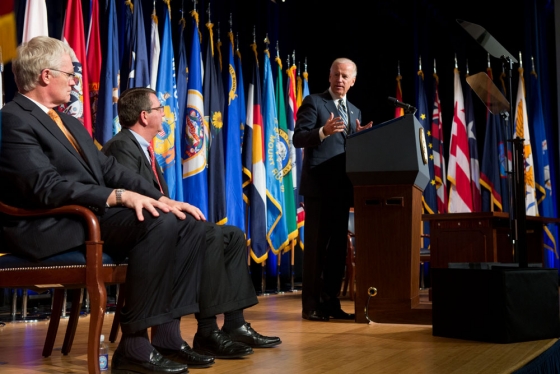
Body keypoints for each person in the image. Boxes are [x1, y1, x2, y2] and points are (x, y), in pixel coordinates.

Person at [101, 87, 281, 359]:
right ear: (144, 116)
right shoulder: (121, 145)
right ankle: (207, 330)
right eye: (159, 109)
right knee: (204, 234)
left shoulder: (144, 149)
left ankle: (235, 324)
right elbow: (132, 190)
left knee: (231, 236)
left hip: (158, 224)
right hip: (139, 231)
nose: (164, 114)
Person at [293, 57, 372, 322]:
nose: (340, 80)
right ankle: (311, 306)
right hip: (318, 189)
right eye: (336, 75)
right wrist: (323, 132)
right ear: (329, 77)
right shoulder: (314, 102)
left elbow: (347, 150)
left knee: (338, 250)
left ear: (353, 81)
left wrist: (360, 139)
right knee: (316, 249)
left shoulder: (355, 111)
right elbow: (299, 138)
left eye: (345, 76)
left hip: (342, 189)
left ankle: (331, 303)